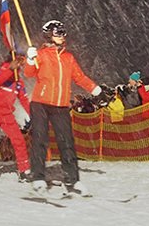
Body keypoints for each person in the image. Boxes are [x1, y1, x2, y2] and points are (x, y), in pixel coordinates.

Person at [25, 20, 103, 196]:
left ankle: (73, 180)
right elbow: (29, 73)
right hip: (41, 103)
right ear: (49, 35)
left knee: (66, 142)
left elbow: (79, 77)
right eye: (58, 33)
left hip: (60, 105)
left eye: (63, 33)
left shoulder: (68, 57)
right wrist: (30, 59)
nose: (62, 36)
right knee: (40, 140)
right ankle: (38, 177)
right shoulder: (42, 54)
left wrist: (95, 89)